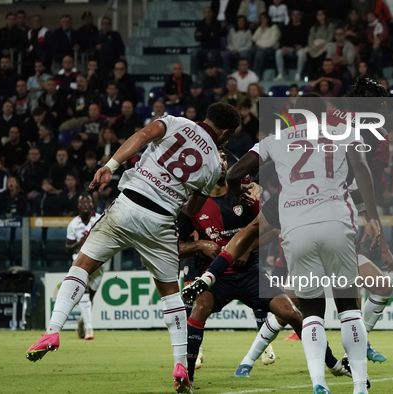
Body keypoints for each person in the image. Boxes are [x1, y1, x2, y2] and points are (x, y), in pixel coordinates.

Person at [25, 102, 242, 394]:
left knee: (82, 267)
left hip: (128, 205)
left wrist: (109, 166)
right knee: (170, 294)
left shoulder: (176, 122)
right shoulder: (215, 164)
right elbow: (192, 208)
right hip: (162, 221)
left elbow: (141, 136)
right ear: (225, 132)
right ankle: (180, 365)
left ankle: (52, 331)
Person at [178, 149, 349, 383]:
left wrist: (247, 248)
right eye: (215, 159)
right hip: (216, 276)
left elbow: (272, 227)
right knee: (199, 308)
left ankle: (332, 364)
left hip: (251, 274)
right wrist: (201, 246)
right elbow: (176, 247)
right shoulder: (192, 204)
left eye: (225, 157)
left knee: (292, 314)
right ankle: (187, 377)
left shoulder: (246, 194)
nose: (221, 162)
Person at [66, 193, 103, 340]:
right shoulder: (73, 224)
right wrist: (80, 242)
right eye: (83, 203)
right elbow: (67, 248)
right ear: (78, 206)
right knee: (84, 292)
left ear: (92, 205)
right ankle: (89, 329)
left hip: (100, 263)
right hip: (80, 261)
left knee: (90, 298)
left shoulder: (100, 219)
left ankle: (82, 320)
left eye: (88, 202)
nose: (85, 205)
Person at [274, 10, 308, 82]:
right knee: (278, 52)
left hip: (300, 48)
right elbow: (282, 40)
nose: (296, 17)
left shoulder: (305, 27)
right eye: (294, 15)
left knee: (302, 53)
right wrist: (283, 47)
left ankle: (298, 74)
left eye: (297, 15)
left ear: (300, 16)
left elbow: (307, 40)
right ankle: (281, 74)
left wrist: (301, 46)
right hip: (288, 48)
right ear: (291, 16)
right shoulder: (287, 27)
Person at [191, 7, 223, 79]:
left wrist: (203, 35)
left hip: (215, 48)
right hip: (203, 48)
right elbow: (197, 38)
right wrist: (209, 35)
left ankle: (211, 75)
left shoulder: (216, 23)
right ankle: (194, 75)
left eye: (209, 12)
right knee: (194, 54)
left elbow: (215, 37)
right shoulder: (201, 23)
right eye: (205, 12)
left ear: (211, 14)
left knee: (210, 55)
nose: (207, 14)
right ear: (203, 14)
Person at [251, 13, 281, 79]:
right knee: (248, 52)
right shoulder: (260, 28)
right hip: (258, 47)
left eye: (264, 18)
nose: (263, 20)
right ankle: (248, 74)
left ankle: (256, 76)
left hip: (270, 49)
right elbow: (253, 39)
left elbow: (272, 41)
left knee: (259, 53)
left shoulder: (274, 27)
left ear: (268, 19)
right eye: (261, 19)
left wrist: (261, 46)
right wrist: (260, 29)